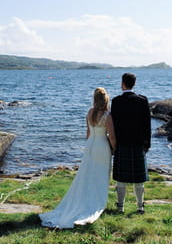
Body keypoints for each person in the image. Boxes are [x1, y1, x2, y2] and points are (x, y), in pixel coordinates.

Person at [39, 87, 117, 229]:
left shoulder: (89, 112)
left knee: (87, 175)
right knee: (100, 175)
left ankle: (85, 199)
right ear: (106, 99)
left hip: (90, 145)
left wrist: (88, 147)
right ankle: (96, 201)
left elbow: (88, 133)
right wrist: (114, 148)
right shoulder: (107, 115)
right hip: (101, 146)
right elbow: (111, 136)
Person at [111, 72, 151, 214]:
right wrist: (148, 144)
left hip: (122, 144)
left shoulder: (116, 101)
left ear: (123, 83)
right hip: (138, 143)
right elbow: (147, 124)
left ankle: (120, 207)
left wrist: (113, 145)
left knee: (121, 178)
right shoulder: (142, 100)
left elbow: (113, 125)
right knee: (139, 179)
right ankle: (140, 207)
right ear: (134, 83)